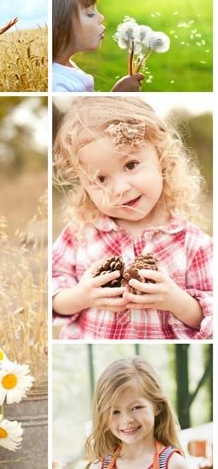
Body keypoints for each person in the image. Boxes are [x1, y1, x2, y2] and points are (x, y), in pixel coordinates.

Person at [52, 96, 213, 341]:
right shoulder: (79, 234)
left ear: (161, 158)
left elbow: (210, 317)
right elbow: (52, 296)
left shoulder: (194, 243)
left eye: (130, 165)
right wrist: (80, 297)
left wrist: (176, 301)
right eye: (100, 180)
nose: (119, 189)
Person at [52, 0, 143, 93]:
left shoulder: (65, 65)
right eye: (90, 13)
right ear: (61, 28)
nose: (101, 17)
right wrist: (117, 95)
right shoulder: (57, 85)